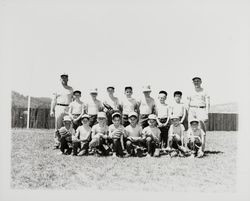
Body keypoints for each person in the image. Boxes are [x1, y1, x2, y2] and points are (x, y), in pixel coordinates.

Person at [50, 73, 73, 149]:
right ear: (60, 79)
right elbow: (53, 100)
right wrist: (51, 110)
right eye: (62, 78)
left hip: (68, 108)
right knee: (58, 126)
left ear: (67, 79)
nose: (64, 79)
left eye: (65, 78)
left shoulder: (70, 89)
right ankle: (57, 143)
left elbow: (73, 100)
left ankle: (67, 142)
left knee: (68, 125)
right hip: (59, 107)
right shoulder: (57, 88)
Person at [187, 77, 210, 151]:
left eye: (197, 81)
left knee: (202, 130)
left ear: (201, 82)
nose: (196, 82)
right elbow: (188, 102)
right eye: (194, 81)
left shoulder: (205, 91)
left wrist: (206, 113)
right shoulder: (190, 91)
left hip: (201, 109)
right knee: (191, 128)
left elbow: (207, 102)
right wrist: (188, 112)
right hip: (192, 109)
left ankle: (201, 149)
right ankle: (192, 148)